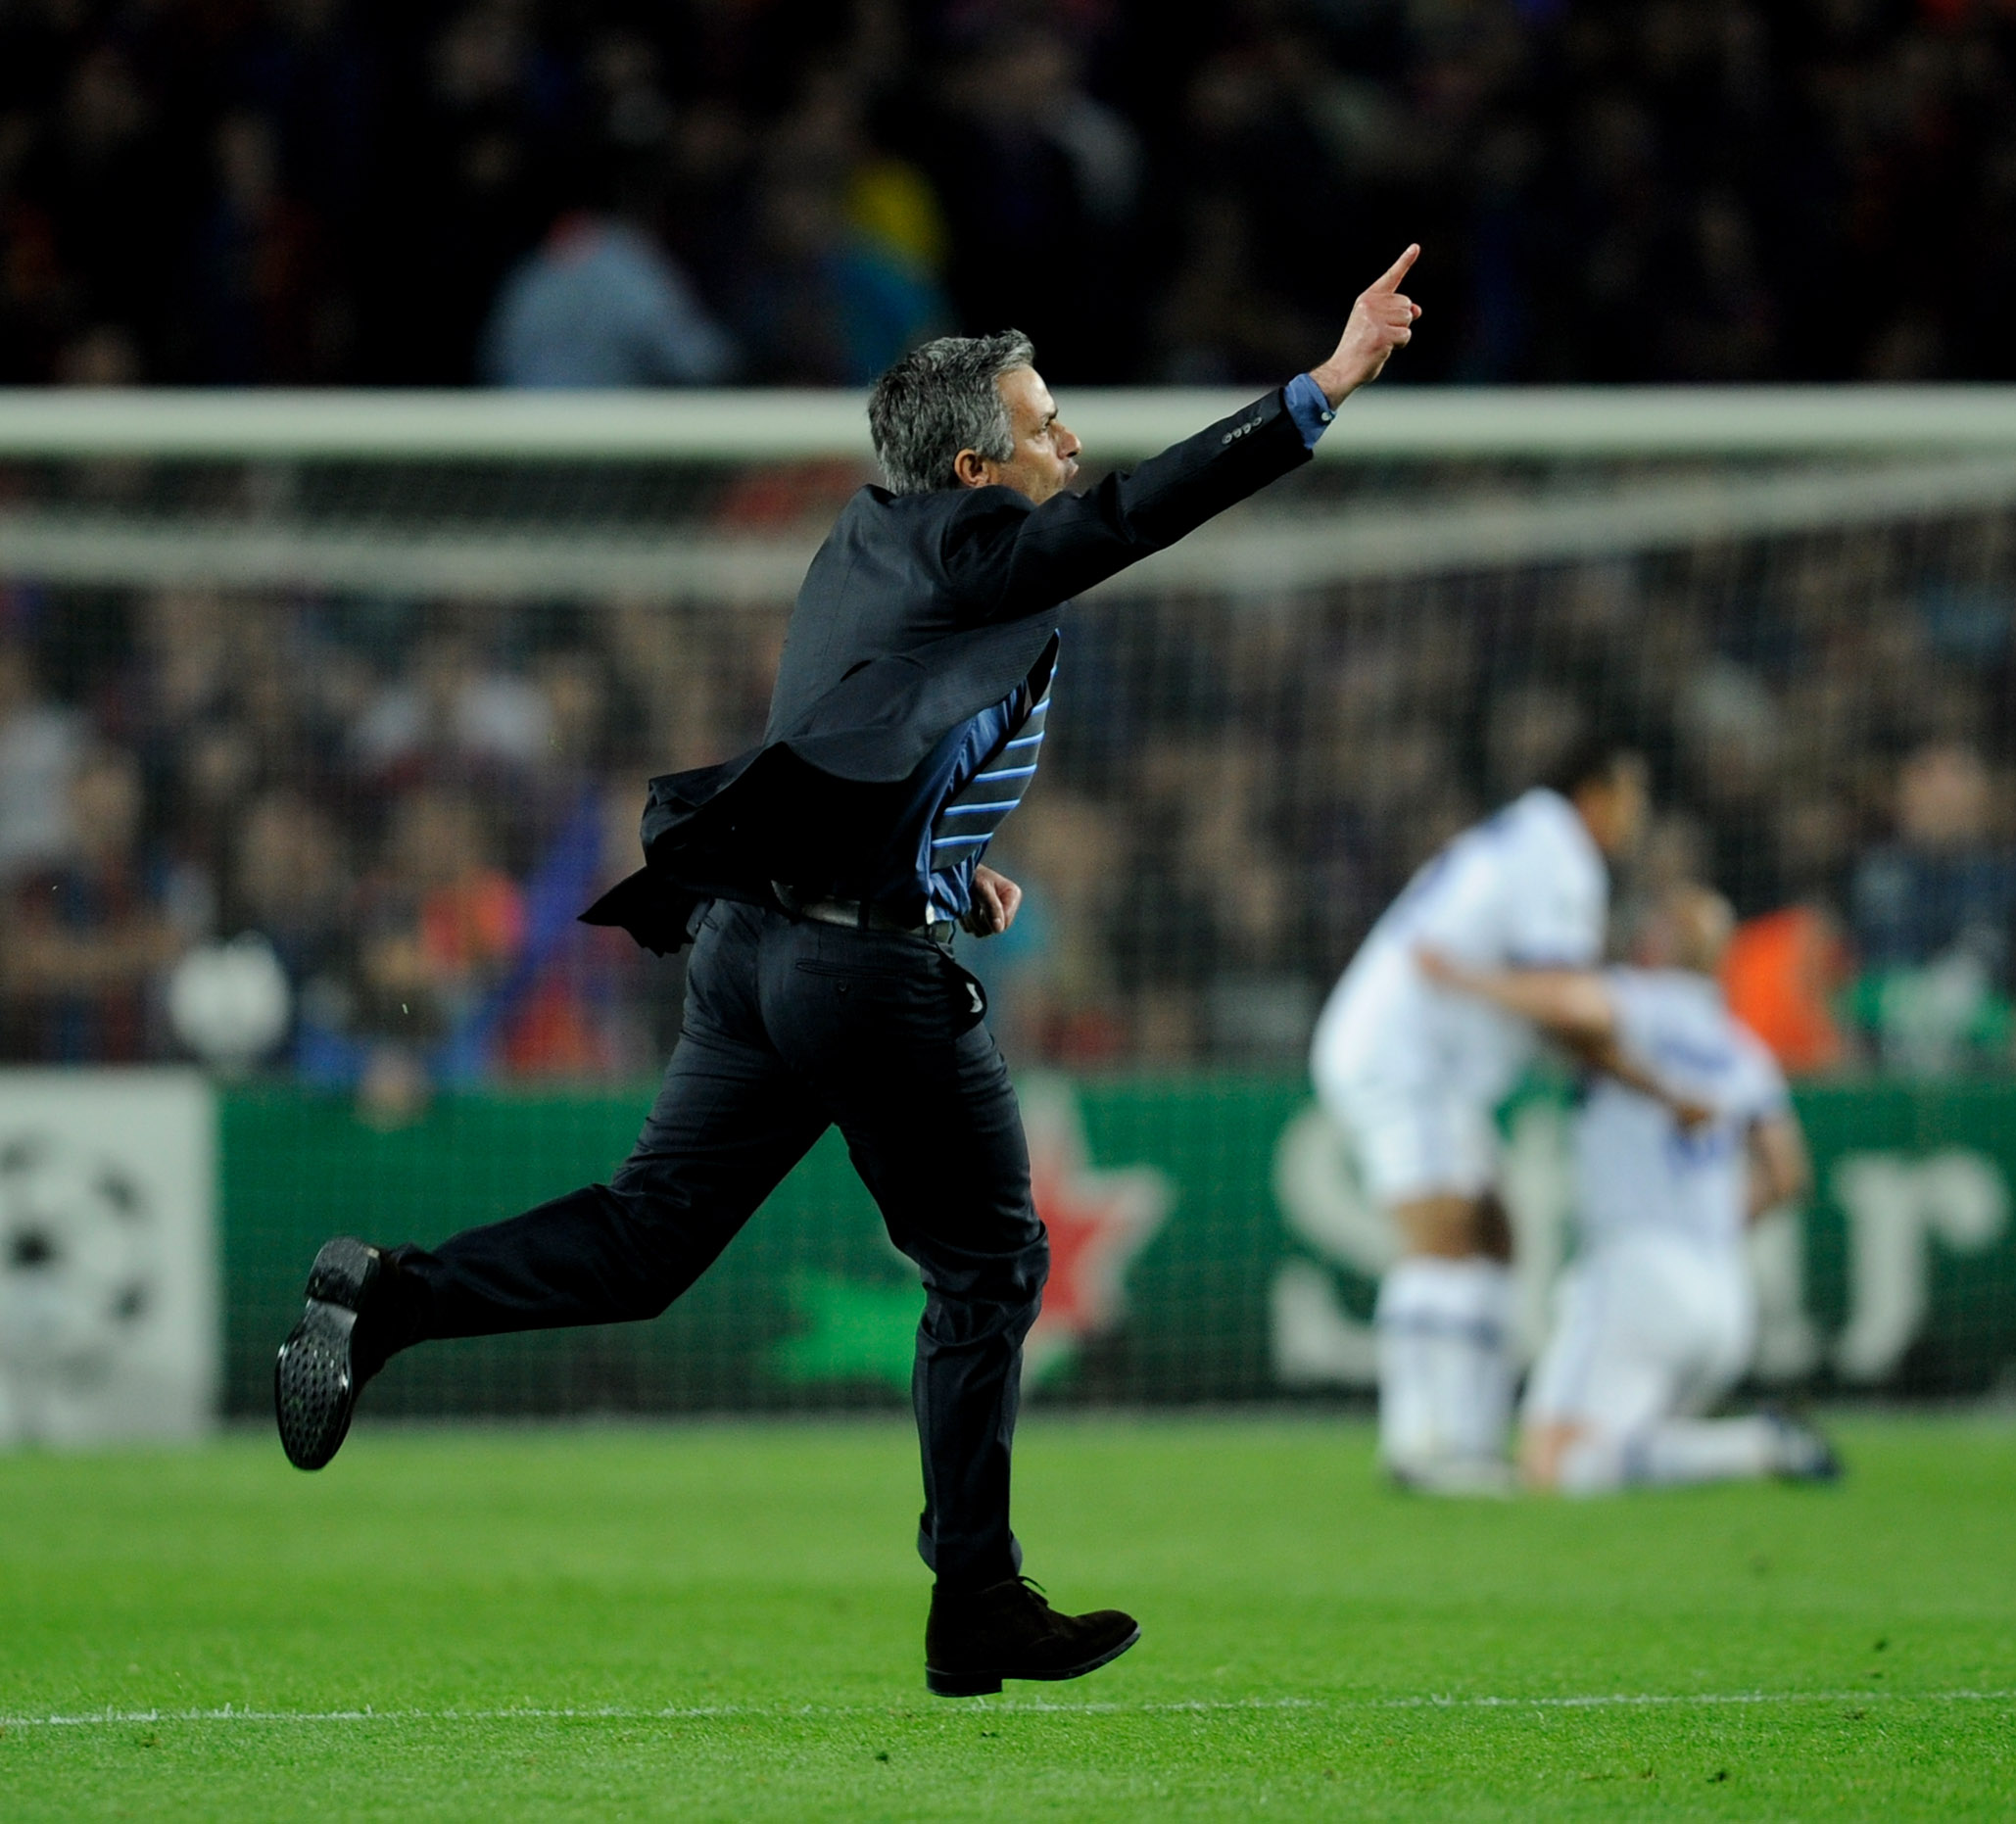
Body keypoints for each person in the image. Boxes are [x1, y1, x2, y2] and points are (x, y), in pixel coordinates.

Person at [272, 248, 1429, 1697]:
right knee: (991, 1260)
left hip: (755, 945)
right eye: (1043, 420)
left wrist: (943, 866)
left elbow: (857, 735)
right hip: (854, 973)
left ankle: (388, 1298)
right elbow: (1133, 516)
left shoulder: (867, 540)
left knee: (647, 1242)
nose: (1068, 441)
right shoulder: (972, 543)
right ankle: (977, 1596)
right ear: (972, 464)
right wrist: (1316, 391)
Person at [1310, 741, 1652, 1494]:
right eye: (1632, 795)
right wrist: (1640, 1070)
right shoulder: (1558, 853)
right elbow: (1562, 999)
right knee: (1444, 1238)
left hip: (1432, 1068)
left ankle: (1466, 1437)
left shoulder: (1524, 837)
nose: (1639, 816)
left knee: (1495, 1234)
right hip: (1406, 1059)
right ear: (1592, 792)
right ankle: (1421, 1446)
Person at [1420, 887, 1834, 1495]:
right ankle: (1754, 1445)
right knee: (1622, 1450)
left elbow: (1565, 1005)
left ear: (1659, 945)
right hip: (1723, 1291)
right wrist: (1712, 1224)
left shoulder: (1636, 1002)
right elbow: (1788, 1174)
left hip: (1638, 1273)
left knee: (1555, 1463)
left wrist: (1466, 981)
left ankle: (1750, 1446)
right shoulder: (1741, 1051)